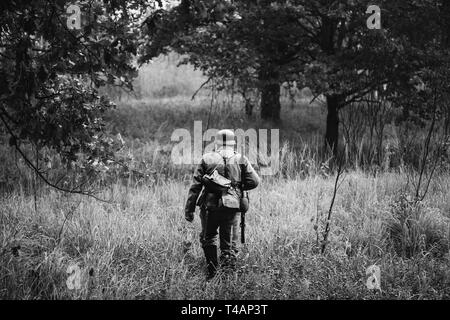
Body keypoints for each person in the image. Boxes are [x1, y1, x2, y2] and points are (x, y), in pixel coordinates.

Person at [184, 129, 260, 280]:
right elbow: (254, 181)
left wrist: (189, 210)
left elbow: (195, 187)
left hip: (209, 207)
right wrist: (238, 187)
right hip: (231, 206)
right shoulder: (241, 158)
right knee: (229, 242)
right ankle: (227, 277)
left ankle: (212, 273)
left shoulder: (206, 158)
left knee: (208, 237)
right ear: (233, 143)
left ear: (217, 142)